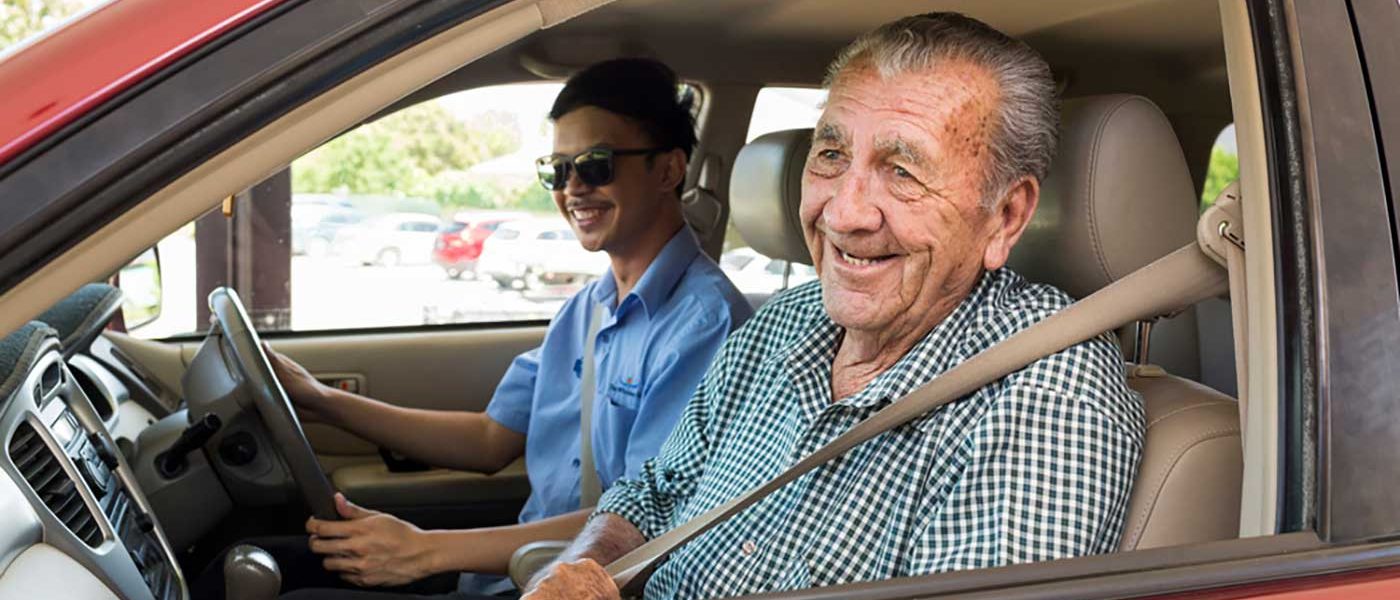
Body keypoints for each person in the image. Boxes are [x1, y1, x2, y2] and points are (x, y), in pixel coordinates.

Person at [522, 13, 1145, 600]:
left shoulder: (1049, 388)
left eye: (902, 171)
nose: (843, 212)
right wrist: (580, 570)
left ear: (1005, 216)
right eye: (831, 155)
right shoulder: (782, 323)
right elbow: (655, 494)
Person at [208, 58, 753, 600]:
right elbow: (493, 438)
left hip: (574, 585)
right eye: (557, 171)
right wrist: (320, 398)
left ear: (668, 169)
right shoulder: (588, 307)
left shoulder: (705, 325)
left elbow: (649, 519)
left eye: (596, 164)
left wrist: (426, 550)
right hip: (510, 573)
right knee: (244, 566)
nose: (573, 189)